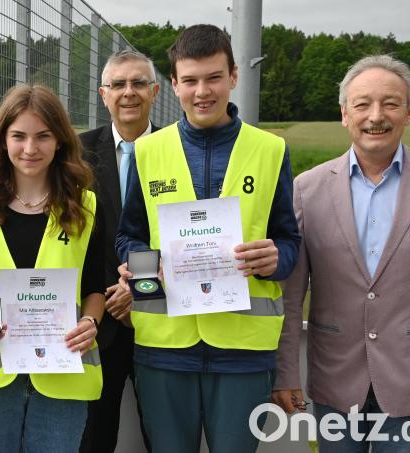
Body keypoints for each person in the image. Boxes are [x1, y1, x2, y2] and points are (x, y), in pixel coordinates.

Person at [114, 24, 301, 452]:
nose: (203, 91)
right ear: (174, 84)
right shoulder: (148, 152)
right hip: (165, 347)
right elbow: (129, 238)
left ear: (233, 76)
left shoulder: (271, 151)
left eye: (214, 78)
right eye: (191, 80)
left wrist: (276, 258)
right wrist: (145, 265)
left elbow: (289, 240)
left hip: (244, 350)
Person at [273, 54, 410, 451]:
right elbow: (290, 295)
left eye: (390, 103)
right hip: (334, 380)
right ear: (344, 113)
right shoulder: (306, 188)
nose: (376, 116)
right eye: (362, 104)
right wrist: (285, 371)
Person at [0, 83, 105, 452]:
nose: (30, 149)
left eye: (43, 136)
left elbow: (95, 287)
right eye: (19, 136)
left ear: (60, 141)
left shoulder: (86, 208)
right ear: (2, 140)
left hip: (63, 376)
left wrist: (91, 322)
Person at [79, 49, 158, 453]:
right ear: (103, 94)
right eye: (118, 85)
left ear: (156, 91)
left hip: (158, 315)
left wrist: (140, 287)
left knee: (164, 436)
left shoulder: (175, 150)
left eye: (138, 83)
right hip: (96, 319)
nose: (129, 93)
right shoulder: (75, 153)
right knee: (95, 437)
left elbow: (176, 233)